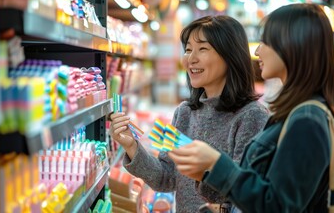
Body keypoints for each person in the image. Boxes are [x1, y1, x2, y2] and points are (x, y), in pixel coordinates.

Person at [168, 3, 334, 212]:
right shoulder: (298, 114)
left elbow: (278, 206)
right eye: (188, 49)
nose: (256, 51)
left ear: (292, 45)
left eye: (265, 41)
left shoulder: (307, 120)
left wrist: (216, 163)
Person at [110, 15, 269, 212]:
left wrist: (204, 171)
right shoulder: (184, 113)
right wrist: (132, 146)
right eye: (187, 49)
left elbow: (246, 194)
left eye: (202, 49)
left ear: (230, 55)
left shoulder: (251, 117)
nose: (191, 59)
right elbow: (165, 178)